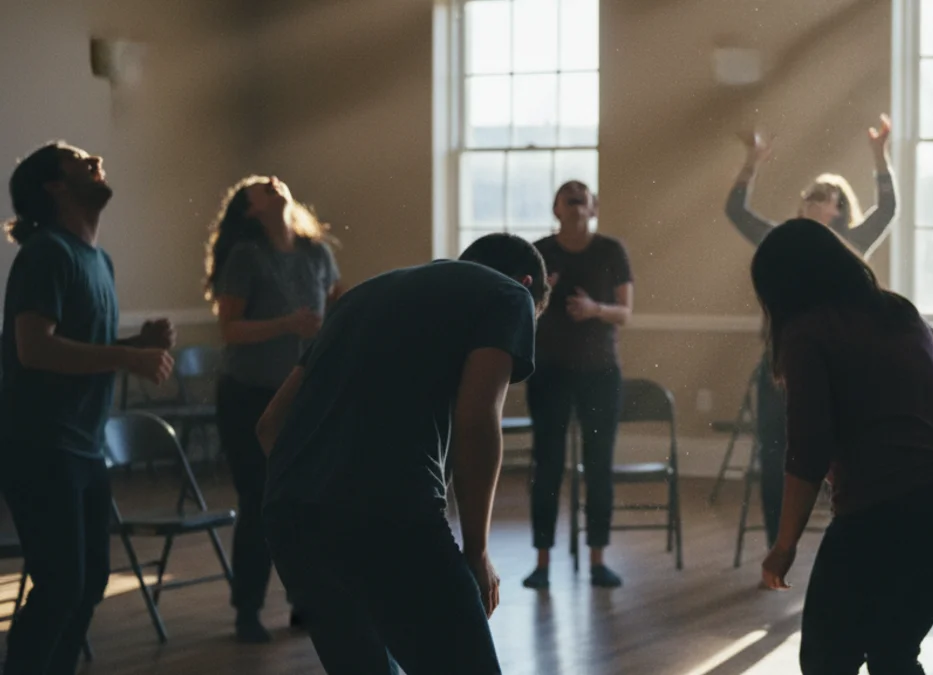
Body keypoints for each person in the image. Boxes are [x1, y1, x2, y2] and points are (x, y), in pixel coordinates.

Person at [256, 233, 549, 675]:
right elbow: (476, 421)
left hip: (289, 516)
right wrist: (477, 551)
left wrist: (320, 488)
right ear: (527, 284)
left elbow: (269, 424)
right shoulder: (509, 295)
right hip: (391, 512)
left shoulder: (359, 298)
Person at [753, 218, 933, 674]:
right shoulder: (899, 312)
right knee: (893, 653)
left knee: (827, 658)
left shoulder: (806, 333)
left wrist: (784, 545)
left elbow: (808, 449)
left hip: (883, 509)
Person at [0, 142, 175, 675]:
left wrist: (136, 344)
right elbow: (35, 349)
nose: (95, 161)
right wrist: (126, 356)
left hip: (83, 443)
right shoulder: (46, 254)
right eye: (79, 160)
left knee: (89, 580)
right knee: (61, 585)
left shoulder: (98, 260)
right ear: (55, 186)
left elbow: (78, 346)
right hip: (40, 443)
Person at [724, 114, 897, 547]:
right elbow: (736, 212)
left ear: (839, 209)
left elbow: (887, 209)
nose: (811, 200)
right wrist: (752, 161)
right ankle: (777, 545)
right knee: (773, 455)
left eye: (822, 196)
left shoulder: (851, 244)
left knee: (844, 456)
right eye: (809, 195)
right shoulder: (782, 241)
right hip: (780, 366)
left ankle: (848, 541)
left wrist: (880, 156)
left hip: (840, 370)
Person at [203, 174, 342, 642]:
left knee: (304, 499)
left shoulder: (316, 253)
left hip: (301, 395)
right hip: (248, 394)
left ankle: (305, 602)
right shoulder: (246, 256)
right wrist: (288, 324)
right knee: (259, 501)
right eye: (261, 187)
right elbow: (230, 330)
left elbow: (339, 306)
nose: (273, 183)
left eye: (273, 181)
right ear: (251, 210)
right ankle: (247, 610)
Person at [521, 180, 633, 590]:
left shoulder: (611, 250)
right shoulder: (539, 253)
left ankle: (598, 560)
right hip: (549, 373)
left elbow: (626, 313)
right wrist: (543, 293)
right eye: (567, 199)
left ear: (593, 208)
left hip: (600, 373)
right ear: (556, 209)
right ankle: (542, 562)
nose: (574, 205)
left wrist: (594, 309)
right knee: (547, 466)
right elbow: (522, 307)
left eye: (581, 199)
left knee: (598, 466)